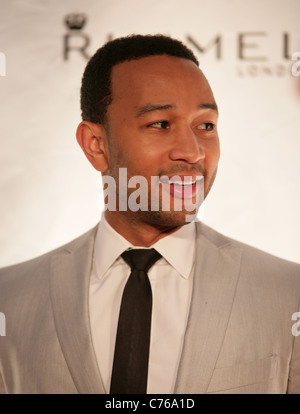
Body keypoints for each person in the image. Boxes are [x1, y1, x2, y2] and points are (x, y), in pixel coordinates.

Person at [0, 34, 299, 395]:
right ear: (96, 145)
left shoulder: (289, 295)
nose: (193, 152)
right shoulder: (9, 300)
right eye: (160, 124)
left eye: (205, 125)